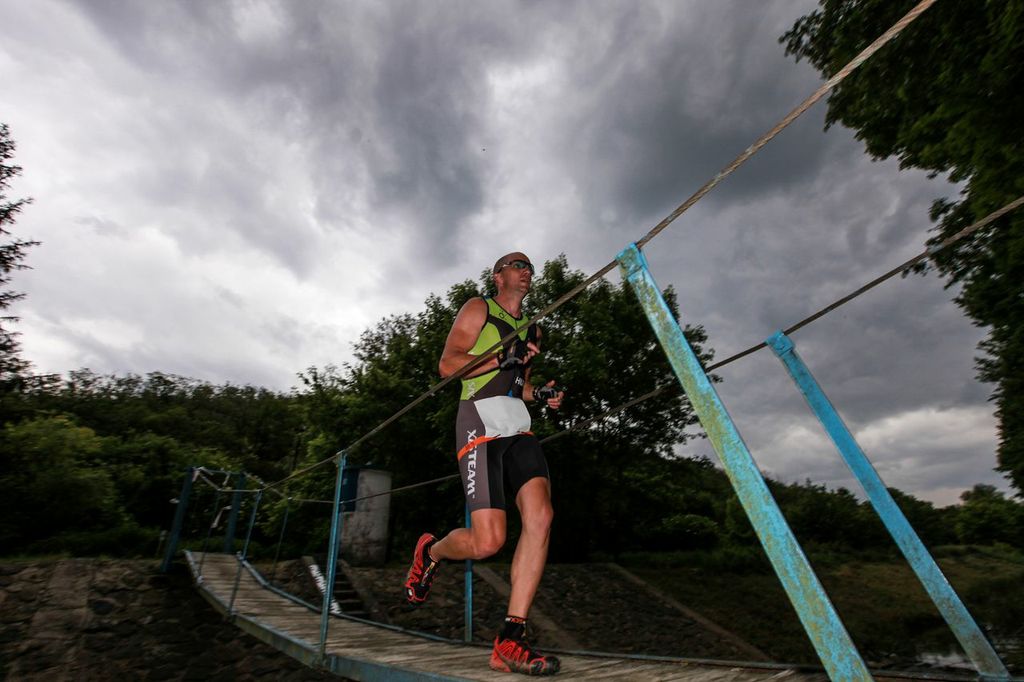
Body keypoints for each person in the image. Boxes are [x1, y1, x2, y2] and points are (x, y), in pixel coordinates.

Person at [404, 252, 565, 676]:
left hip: (516, 424)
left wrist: (540, 394)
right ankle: (431, 551)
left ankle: (510, 639)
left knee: (542, 516)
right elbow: (448, 364)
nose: (526, 270)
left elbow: (517, 382)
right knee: (488, 542)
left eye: (530, 266)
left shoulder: (533, 328)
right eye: (517, 264)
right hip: (478, 420)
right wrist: (500, 356)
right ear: (498, 276)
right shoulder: (479, 308)